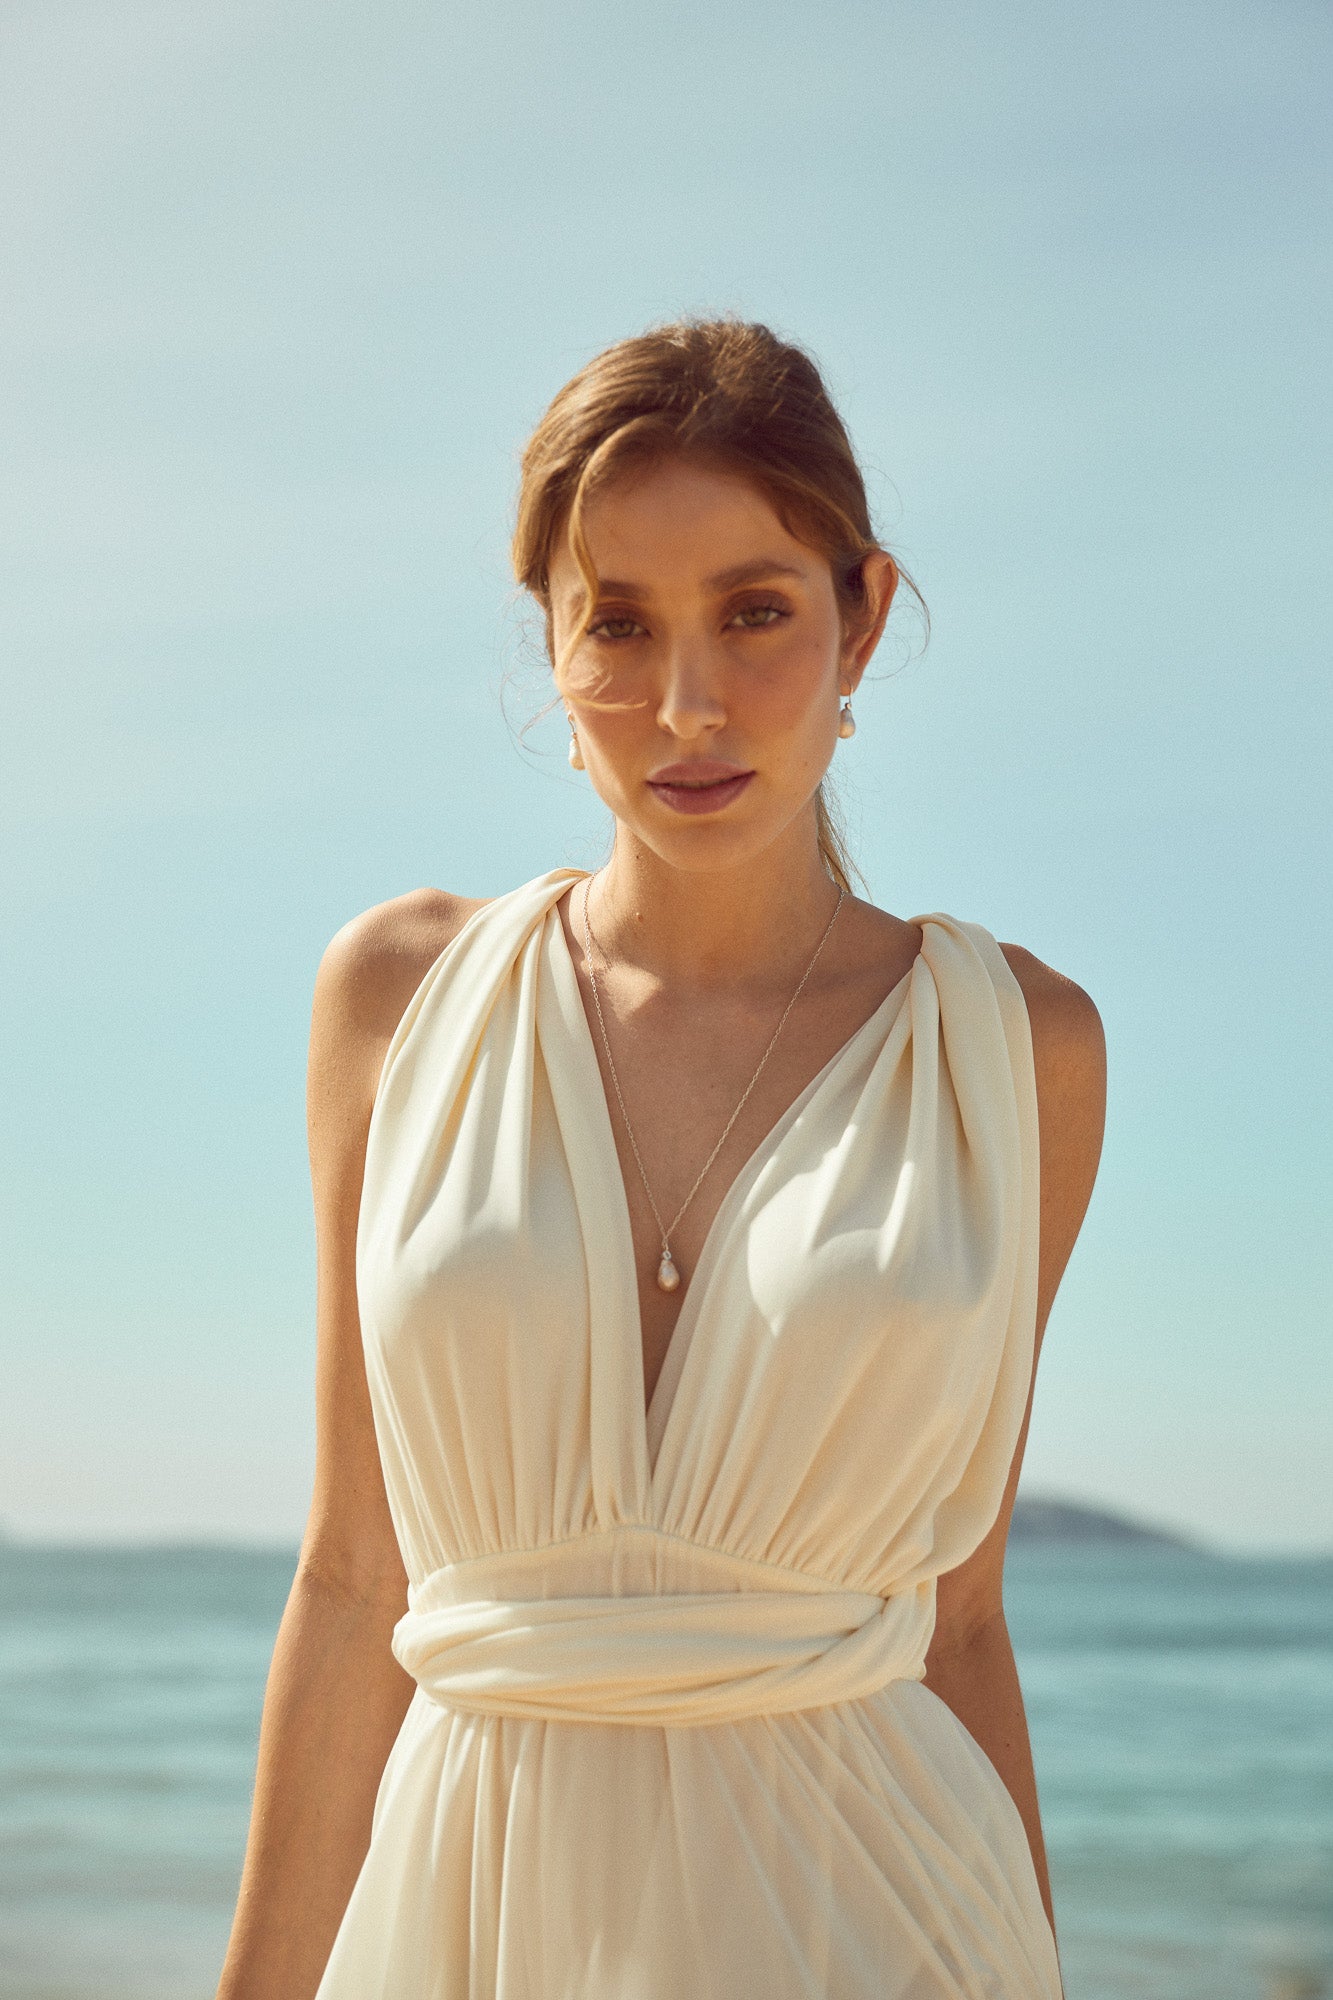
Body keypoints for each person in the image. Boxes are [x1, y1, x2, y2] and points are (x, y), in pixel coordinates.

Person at [215, 317, 1106, 2000]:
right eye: (617, 624)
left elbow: (960, 1620)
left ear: (861, 619)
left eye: (755, 612)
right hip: (469, 1922)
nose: (685, 707)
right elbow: (351, 1581)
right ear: (551, 648)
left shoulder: (1015, 1049)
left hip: (881, 1925)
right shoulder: (398, 999)